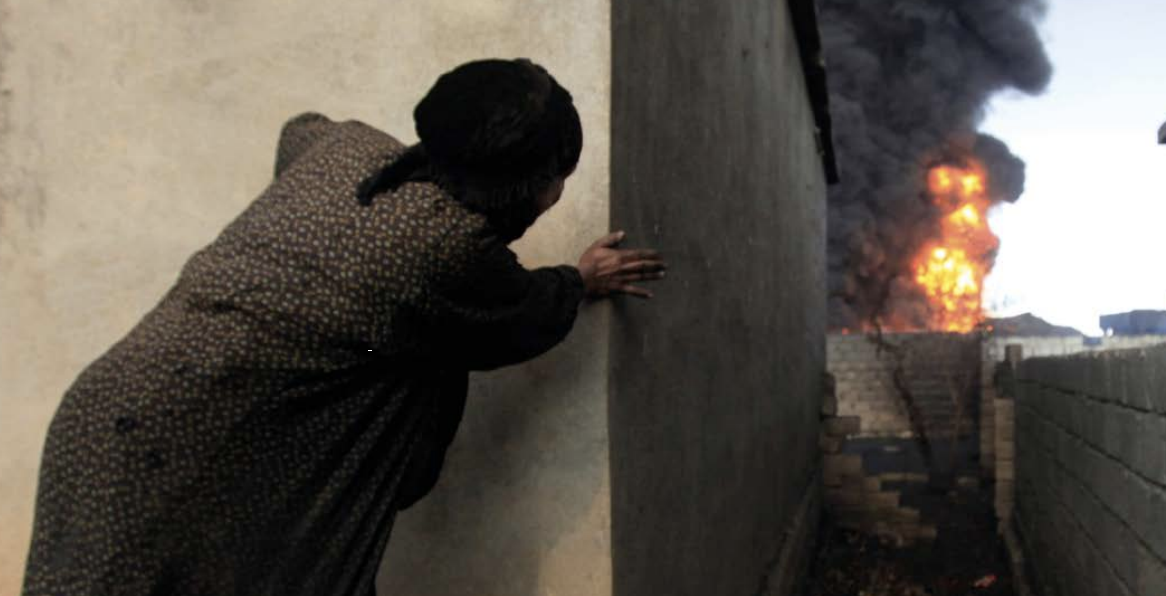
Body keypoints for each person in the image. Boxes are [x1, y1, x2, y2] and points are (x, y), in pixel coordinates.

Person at [21, 58, 665, 596]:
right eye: (555, 182)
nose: (555, 196)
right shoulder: (449, 248)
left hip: (106, 413)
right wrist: (580, 279)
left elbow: (296, 129)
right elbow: (521, 315)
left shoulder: (347, 147)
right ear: (517, 184)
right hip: (194, 448)